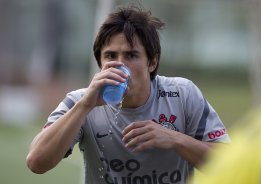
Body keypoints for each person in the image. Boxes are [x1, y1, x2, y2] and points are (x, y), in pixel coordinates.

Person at [26, 5, 230, 184]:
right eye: (110, 56)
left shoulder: (183, 94)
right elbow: (36, 162)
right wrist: (84, 107)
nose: (120, 64)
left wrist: (175, 139)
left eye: (131, 55)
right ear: (100, 63)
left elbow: (229, 163)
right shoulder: (80, 102)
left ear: (152, 62)